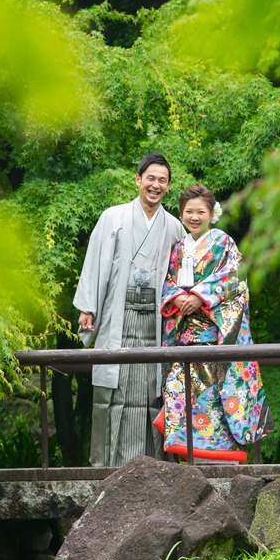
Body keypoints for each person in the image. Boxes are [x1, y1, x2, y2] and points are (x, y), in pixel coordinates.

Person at [73, 153, 185, 467]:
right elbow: (95, 262)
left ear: (168, 186)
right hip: (118, 316)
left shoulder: (174, 227)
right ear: (138, 180)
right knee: (115, 390)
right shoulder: (113, 218)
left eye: (162, 180)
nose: (156, 185)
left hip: (155, 322)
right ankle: (110, 468)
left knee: (153, 390)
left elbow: (180, 280)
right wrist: (88, 307)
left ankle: (154, 466)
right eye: (151, 178)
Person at [153, 184, 272, 462]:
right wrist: (177, 297)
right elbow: (167, 282)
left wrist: (200, 296)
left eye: (200, 212)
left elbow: (234, 279)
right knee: (185, 405)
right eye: (189, 212)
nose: (194, 217)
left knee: (216, 405)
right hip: (184, 343)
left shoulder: (223, 243)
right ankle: (191, 463)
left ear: (211, 213)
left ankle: (219, 464)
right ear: (181, 214)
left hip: (213, 340)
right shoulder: (178, 248)